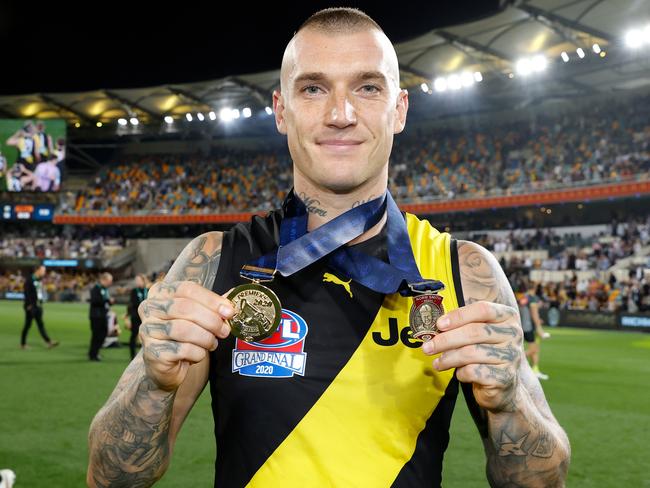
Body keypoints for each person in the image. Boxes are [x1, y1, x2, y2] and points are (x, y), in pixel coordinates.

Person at [87, 8, 570, 487]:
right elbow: (109, 479)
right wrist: (153, 383)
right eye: (314, 88)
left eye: (368, 87)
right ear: (281, 110)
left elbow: (543, 482)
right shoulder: (213, 262)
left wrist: (510, 403)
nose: (341, 114)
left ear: (398, 109)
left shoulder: (464, 271)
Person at [20, 264, 58, 349]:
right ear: (37, 270)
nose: (44, 272)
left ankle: (48, 342)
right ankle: (23, 344)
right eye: (43, 270)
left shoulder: (39, 280)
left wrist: (41, 302)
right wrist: (29, 305)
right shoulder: (30, 280)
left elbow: (39, 292)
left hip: (38, 306)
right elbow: (27, 293)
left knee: (40, 324)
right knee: (27, 325)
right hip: (31, 307)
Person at [518, 282, 551, 380]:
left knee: (535, 348)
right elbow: (534, 314)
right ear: (535, 288)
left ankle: (535, 370)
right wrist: (540, 329)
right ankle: (515, 361)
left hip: (521, 326)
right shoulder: (533, 299)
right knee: (534, 350)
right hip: (529, 327)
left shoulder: (523, 297)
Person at [88, 272, 113, 361]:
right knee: (96, 335)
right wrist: (106, 300)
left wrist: (110, 301)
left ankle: (95, 352)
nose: (111, 283)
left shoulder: (104, 289)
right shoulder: (96, 289)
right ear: (104, 280)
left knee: (103, 334)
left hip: (103, 315)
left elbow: (105, 301)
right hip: (96, 315)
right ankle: (93, 354)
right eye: (110, 281)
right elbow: (95, 301)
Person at [124, 274, 148, 359]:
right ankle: (132, 355)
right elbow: (133, 303)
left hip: (146, 317)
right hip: (136, 316)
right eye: (136, 280)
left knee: (146, 336)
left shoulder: (148, 290)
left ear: (143, 280)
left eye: (139, 280)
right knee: (134, 335)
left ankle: (147, 354)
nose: (137, 282)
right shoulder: (134, 291)